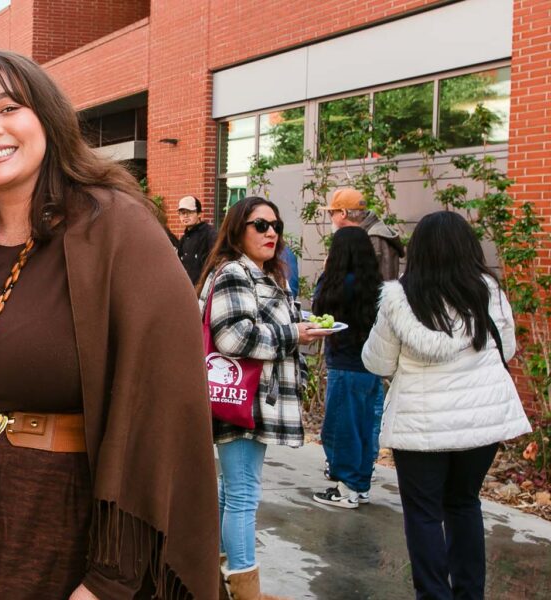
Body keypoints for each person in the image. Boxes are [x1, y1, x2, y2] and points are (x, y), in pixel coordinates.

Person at [0, 51, 219, 600]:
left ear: (46, 118)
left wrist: (110, 577)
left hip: (68, 527)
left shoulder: (115, 225)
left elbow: (166, 402)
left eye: (9, 107)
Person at [362, 211, 530, 600]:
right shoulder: (489, 291)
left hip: (421, 428)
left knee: (423, 514)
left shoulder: (399, 298)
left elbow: (378, 362)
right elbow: (509, 347)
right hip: (481, 421)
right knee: (464, 504)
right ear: (467, 247)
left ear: (418, 252)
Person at [195, 196, 330, 599]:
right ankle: (244, 590)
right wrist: (296, 335)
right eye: (260, 225)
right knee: (243, 495)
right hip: (241, 400)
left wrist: (296, 325)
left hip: (248, 399)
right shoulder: (235, 272)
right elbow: (233, 336)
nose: (271, 232)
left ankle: (216, 581)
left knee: (230, 492)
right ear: (238, 230)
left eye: (276, 225)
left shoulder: (262, 274)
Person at [309, 227, 384, 509]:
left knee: (341, 429)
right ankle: (361, 485)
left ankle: (346, 488)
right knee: (365, 428)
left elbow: (319, 314)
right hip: (371, 368)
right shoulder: (375, 286)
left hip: (344, 366)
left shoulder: (337, 284)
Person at [321, 188, 405, 280]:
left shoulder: (374, 237)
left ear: (343, 213)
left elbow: (374, 284)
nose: (331, 218)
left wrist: (331, 269)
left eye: (331, 212)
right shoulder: (363, 234)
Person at [177, 194, 218, 284]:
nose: (185, 216)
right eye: (182, 213)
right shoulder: (183, 240)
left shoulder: (210, 234)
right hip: (188, 289)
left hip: (205, 288)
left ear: (199, 214)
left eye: (190, 212)